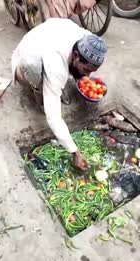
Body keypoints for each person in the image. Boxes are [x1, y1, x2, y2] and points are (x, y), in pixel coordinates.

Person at [11, 18, 107, 171]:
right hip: (25, 62)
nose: (88, 76)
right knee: (35, 69)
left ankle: (54, 87)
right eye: (86, 70)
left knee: (60, 79)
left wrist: (80, 75)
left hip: (47, 45)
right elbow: (54, 117)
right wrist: (75, 151)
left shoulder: (85, 37)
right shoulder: (56, 64)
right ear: (75, 55)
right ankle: (39, 91)